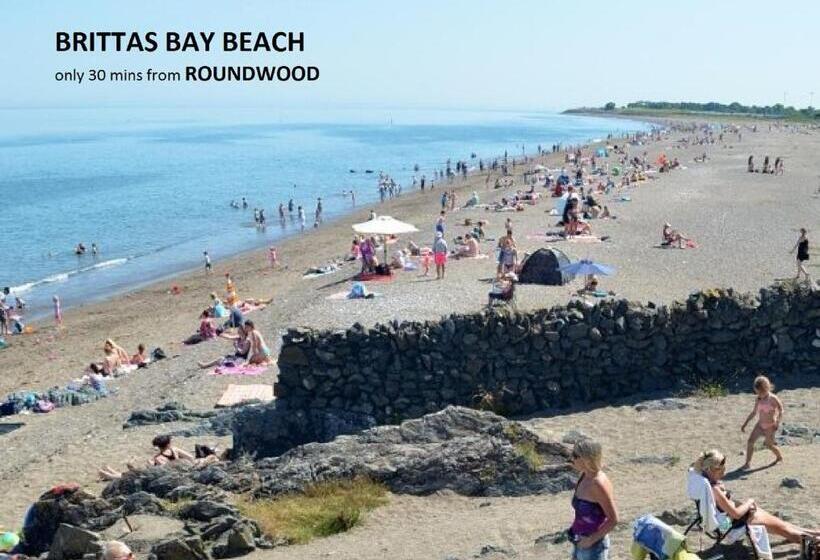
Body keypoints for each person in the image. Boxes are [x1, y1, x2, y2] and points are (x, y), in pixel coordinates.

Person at [693, 449, 820, 543]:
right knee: (783, 529)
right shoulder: (714, 489)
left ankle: (813, 533)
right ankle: (814, 541)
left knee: (780, 525)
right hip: (734, 523)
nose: (723, 472)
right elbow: (735, 514)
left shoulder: (704, 483)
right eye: (720, 470)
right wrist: (749, 502)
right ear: (710, 469)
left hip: (731, 520)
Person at [568, 439, 619, 559]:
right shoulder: (583, 475)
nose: (572, 459)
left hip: (593, 547)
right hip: (578, 540)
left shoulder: (598, 484)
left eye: (575, 455)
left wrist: (590, 540)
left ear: (586, 459)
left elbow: (613, 519)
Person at [741, 375, 784, 468]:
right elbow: (754, 412)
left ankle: (779, 457)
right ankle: (747, 463)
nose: (759, 395)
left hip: (770, 426)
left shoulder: (773, 398)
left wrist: (777, 422)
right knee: (750, 441)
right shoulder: (758, 399)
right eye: (757, 392)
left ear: (766, 388)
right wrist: (745, 423)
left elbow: (781, 410)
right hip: (760, 425)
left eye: (761, 392)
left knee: (769, 445)